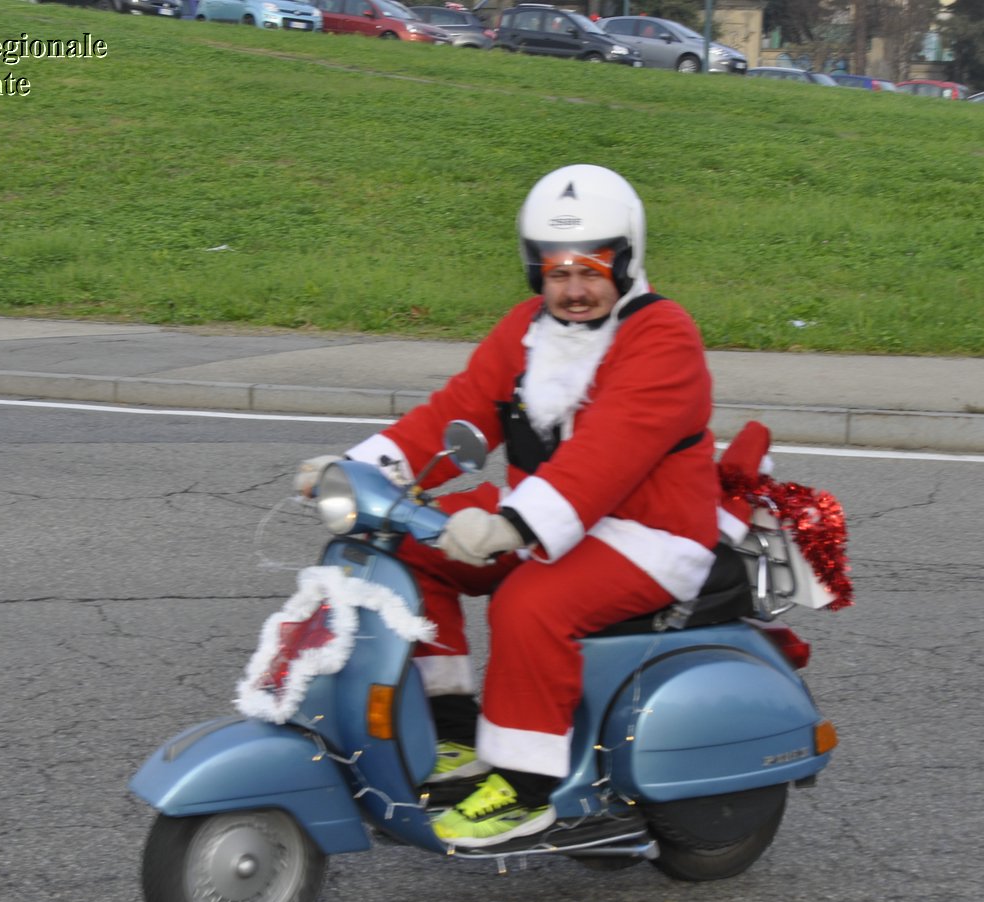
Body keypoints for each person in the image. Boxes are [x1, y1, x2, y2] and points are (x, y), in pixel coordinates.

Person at [293, 164, 723, 847]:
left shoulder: (663, 335)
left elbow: (609, 450)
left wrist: (510, 525)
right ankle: (456, 731)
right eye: (557, 272)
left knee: (529, 601)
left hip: (647, 531)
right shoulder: (527, 328)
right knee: (410, 548)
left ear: (627, 260)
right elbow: (457, 409)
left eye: (591, 270)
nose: (574, 289)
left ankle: (527, 787)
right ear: (535, 271)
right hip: (549, 514)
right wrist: (359, 469)